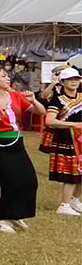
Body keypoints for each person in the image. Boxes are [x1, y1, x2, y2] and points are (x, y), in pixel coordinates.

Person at [0, 64, 46, 233]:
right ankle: (1, 220)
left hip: (17, 143)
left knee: (29, 180)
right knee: (10, 182)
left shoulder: (15, 96)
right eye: (3, 76)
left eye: (7, 75)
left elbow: (41, 112)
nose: (8, 78)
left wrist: (33, 100)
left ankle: (15, 214)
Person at [42, 67, 82, 216]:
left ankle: (75, 200)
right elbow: (50, 120)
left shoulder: (81, 96)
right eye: (70, 80)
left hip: (80, 138)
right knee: (71, 173)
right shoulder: (57, 99)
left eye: (76, 79)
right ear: (63, 82)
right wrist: (74, 125)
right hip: (67, 137)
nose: (74, 82)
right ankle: (64, 205)